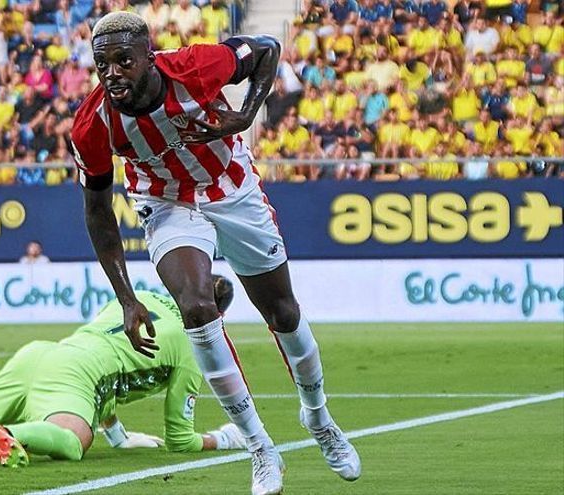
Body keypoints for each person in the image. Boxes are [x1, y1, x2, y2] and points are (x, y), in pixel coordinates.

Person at [70, 13, 360, 495]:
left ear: (149, 56)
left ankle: (318, 417)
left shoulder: (195, 66)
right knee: (196, 308)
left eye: (124, 60)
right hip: (166, 204)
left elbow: (266, 49)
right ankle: (260, 448)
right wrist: (126, 298)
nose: (113, 72)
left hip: (231, 188)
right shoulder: (93, 123)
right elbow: (97, 210)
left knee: (283, 313)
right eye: (103, 64)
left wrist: (247, 113)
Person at [0, 279, 249, 465]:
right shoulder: (192, 344)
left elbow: (111, 359)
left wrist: (120, 436)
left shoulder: (139, 298)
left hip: (40, 354)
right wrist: (225, 437)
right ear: (218, 317)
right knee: (74, 441)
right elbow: (180, 439)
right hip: (78, 375)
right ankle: (8, 433)